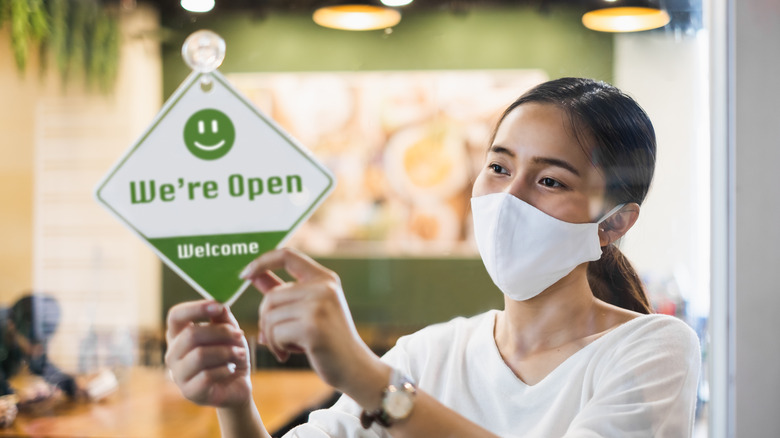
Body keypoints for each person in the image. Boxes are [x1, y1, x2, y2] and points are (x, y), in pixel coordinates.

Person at [165, 77, 701, 437]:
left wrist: (365, 376)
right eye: (497, 167)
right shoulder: (428, 356)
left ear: (614, 223)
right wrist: (233, 399)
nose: (509, 198)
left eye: (550, 180)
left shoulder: (651, 349)